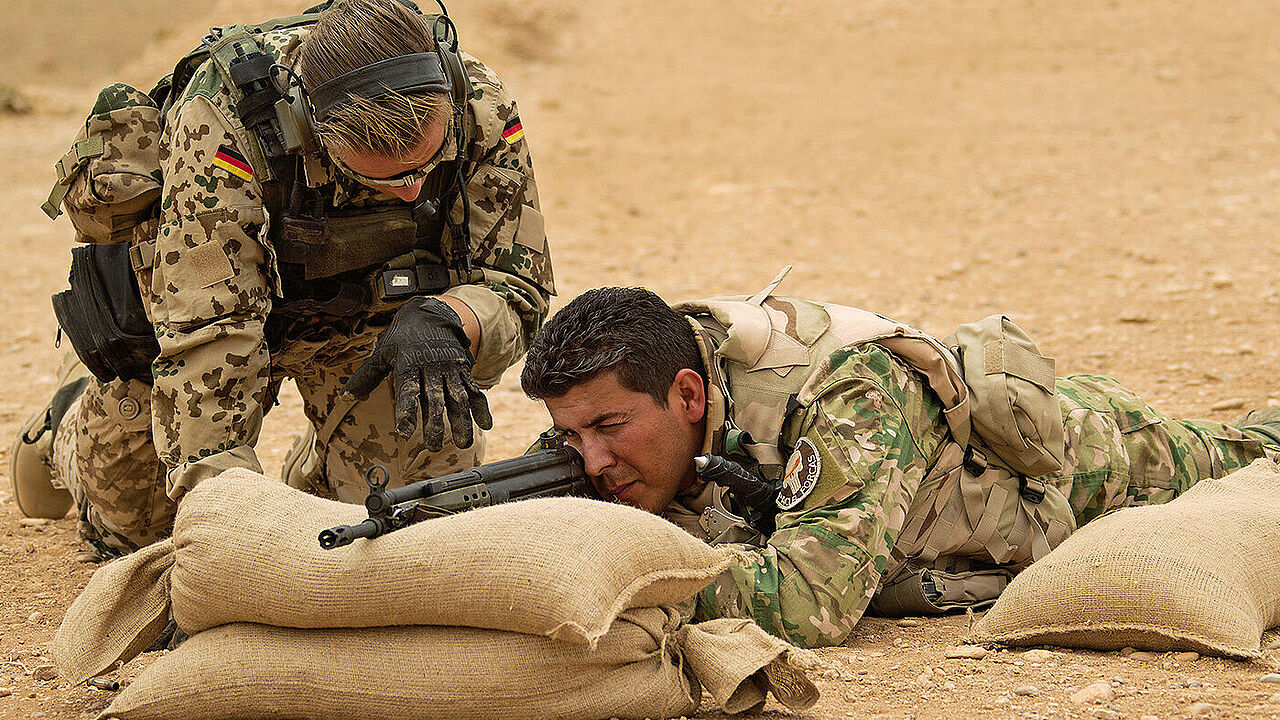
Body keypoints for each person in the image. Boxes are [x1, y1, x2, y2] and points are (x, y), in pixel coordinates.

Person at [10, 0, 553, 557]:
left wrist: (451, 318)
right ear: (319, 134)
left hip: (370, 328)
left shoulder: (481, 108)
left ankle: (320, 470)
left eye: (426, 165)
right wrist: (223, 515)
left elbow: (516, 285)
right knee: (151, 538)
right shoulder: (224, 124)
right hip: (203, 321)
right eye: (388, 177)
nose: (415, 190)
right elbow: (214, 334)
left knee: (406, 517)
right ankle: (69, 422)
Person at [519, 280, 1280, 649]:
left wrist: (619, 566)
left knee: (1254, 448)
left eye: (610, 428)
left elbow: (808, 602)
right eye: (572, 434)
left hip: (1096, 464)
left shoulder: (844, 397)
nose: (594, 460)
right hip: (945, 513)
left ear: (687, 395)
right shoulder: (615, 415)